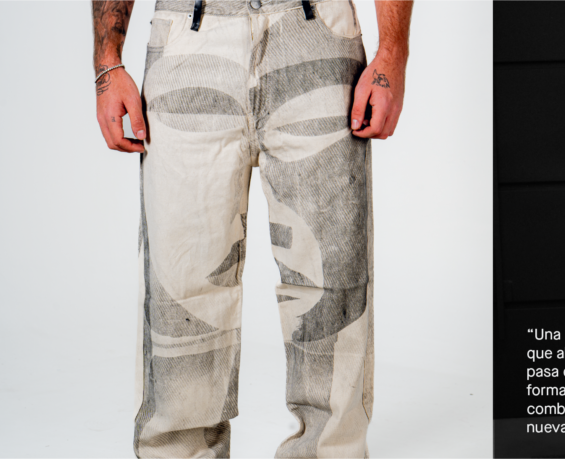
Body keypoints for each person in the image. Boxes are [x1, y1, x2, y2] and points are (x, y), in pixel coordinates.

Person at [92, 0, 412, 457]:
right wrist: (108, 63)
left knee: (333, 284)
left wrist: (392, 54)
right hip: (189, 38)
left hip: (314, 30)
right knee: (180, 288)